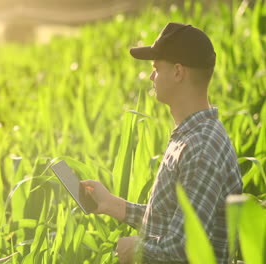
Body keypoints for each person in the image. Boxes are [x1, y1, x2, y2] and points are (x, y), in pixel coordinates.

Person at [81, 22, 243, 264]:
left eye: (156, 67)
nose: (151, 75)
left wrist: (135, 248)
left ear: (178, 72)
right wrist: (110, 204)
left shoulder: (200, 148)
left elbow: (185, 247)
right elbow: (170, 222)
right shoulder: (195, 134)